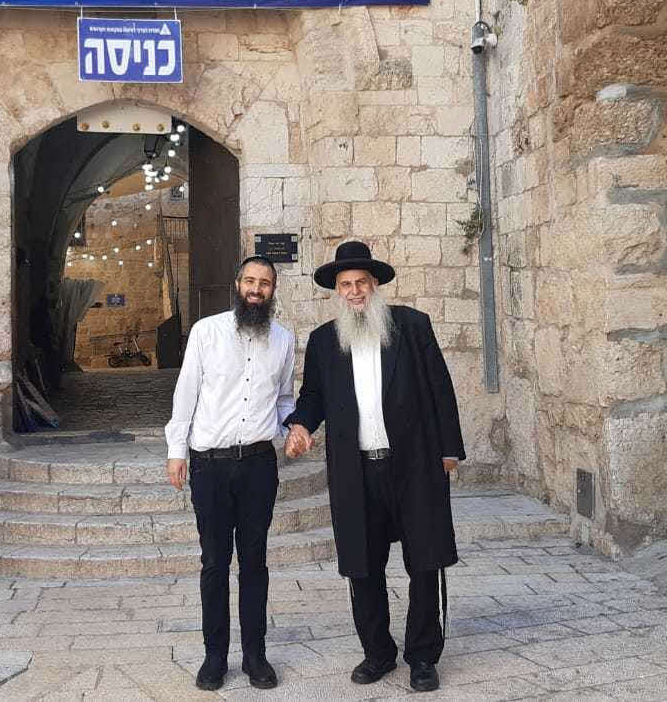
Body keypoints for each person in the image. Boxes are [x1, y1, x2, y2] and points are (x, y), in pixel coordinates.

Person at [284, 240, 465, 693]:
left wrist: (449, 451)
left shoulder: (412, 325)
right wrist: (301, 425)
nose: (354, 291)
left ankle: (423, 656)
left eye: (361, 282)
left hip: (415, 465)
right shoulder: (323, 340)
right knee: (362, 566)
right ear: (337, 291)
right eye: (345, 284)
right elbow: (313, 396)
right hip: (356, 470)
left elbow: (441, 388)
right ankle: (378, 652)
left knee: (425, 562)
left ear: (375, 285)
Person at [165, 255, 295, 691]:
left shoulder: (283, 339)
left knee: (255, 562)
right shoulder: (206, 332)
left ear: (273, 290)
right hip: (210, 466)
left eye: (265, 283)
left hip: (258, 464)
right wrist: (176, 451)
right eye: (250, 281)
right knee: (214, 562)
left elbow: (284, 398)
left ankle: (256, 656)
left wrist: (293, 429)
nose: (256, 289)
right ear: (237, 284)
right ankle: (214, 657)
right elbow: (186, 392)